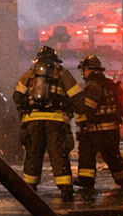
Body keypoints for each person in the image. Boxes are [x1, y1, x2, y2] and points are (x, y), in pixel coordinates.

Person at [13, 46, 82, 200]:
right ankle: (65, 190)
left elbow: (17, 96)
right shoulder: (62, 73)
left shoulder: (30, 74)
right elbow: (77, 96)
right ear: (54, 60)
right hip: (56, 122)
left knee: (33, 155)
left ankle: (29, 189)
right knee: (58, 154)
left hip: (33, 121)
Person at [73, 55, 123, 194]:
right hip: (112, 129)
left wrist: (82, 125)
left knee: (87, 153)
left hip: (97, 129)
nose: (83, 73)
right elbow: (121, 109)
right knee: (112, 156)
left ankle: (86, 180)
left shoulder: (92, 85)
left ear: (89, 69)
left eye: (84, 70)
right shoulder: (109, 83)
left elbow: (88, 109)